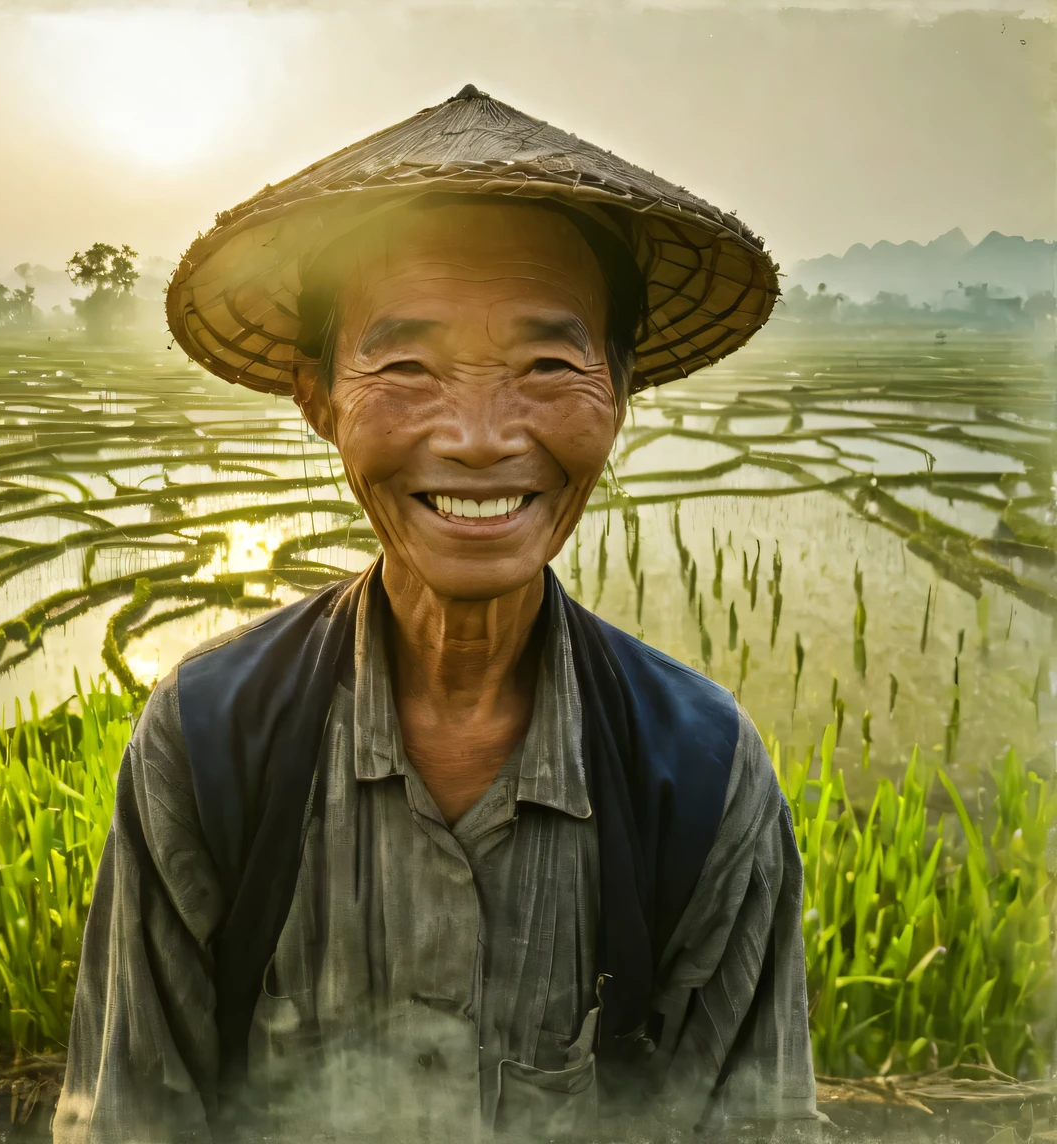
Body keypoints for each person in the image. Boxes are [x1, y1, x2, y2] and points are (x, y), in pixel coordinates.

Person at [54, 85, 817, 1143]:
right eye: (405, 365)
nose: (475, 436)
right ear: (316, 394)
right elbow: (129, 1119)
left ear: (621, 388)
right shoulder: (211, 738)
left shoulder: (696, 772)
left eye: (547, 363)